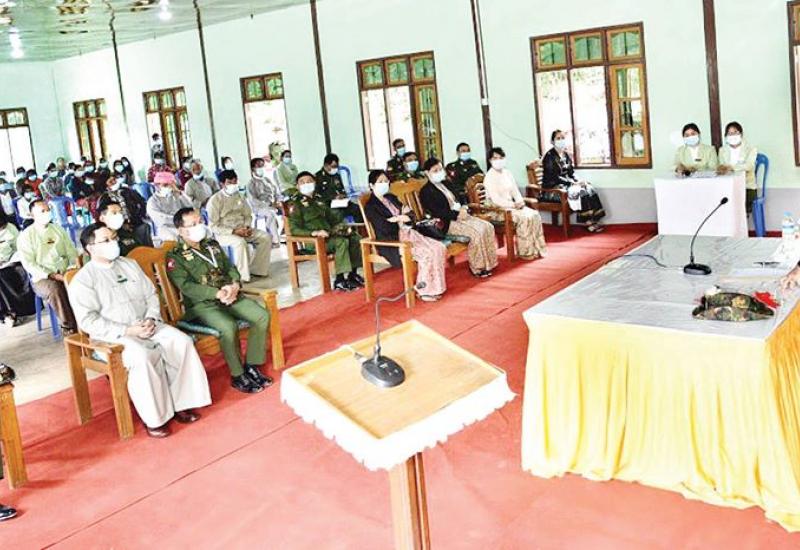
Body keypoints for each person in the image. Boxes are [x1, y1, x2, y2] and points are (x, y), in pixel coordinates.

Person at [68, 223, 211, 438]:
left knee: (181, 342)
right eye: (105, 240)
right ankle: (155, 419)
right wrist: (129, 330)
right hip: (114, 336)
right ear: (90, 248)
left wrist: (151, 318)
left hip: (148, 324)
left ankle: (182, 403)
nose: (113, 243)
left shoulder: (129, 264)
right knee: (142, 356)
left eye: (113, 238)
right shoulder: (83, 280)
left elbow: (151, 294)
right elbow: (88, 321)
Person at [167, 207, 273, 394]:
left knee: (261, 315)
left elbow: (230, 268)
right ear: (181, 230)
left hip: (230, 294)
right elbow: (186, 287)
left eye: (200, 221)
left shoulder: (212, 245)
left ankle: (252, 366)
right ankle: (238, 375)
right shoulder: (176, 256)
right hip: (203, 305)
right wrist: (217, 293)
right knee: (227, 326)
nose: (199, 226)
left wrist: (235, 285)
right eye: (193, 224)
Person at [364, 170, 447, 302]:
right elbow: (384, 227)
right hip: (393, 241)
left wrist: (400, 218)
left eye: (386, 181)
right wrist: (401, 218)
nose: (384, 184)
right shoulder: (371, 206)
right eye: (380, 182)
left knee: (438, 247)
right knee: (426, 253)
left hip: (410, 234)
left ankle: (435, 288)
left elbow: (411, 214)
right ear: (371, 185)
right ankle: (423, 291)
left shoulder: (391, 198)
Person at [420, 158, 497, 277]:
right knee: (476, 233)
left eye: (440, 169)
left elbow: (461, 197)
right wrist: (456, 214)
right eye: (435, 170)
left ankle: (490, 263)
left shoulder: (447, 183)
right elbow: (436, 212)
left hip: (462, 215)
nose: (439, 172)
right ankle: (478, 268)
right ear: (427, 173)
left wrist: (464, 208)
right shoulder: (426, 191)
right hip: (447, 222)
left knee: (488, 227)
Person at [288, 172, 364, 291]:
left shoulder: (319, 200)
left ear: (314, 183)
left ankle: (352, 275)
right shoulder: (295, 204)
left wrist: (342, 225)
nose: (306, 184)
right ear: (297, 186)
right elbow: (294, 229)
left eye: (309, 181)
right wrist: (313, 233)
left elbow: (333, 218)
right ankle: (339, 280)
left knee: (355, 237)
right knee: (341, 242)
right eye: (302, 182)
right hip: (314, 242)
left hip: (329, 236)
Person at [17, 199, 78, 333]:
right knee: (55, 288)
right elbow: (29, 264)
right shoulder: (26, 236)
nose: (46, 213)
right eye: (42, 211)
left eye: (48, 210)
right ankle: (69, 327)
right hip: (42, 278)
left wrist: (71, 268)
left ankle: (85, 321)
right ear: (32, 215)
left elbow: (71, 251)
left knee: (82, 281)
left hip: (65, 271)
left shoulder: (58, 229)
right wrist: (52, 275)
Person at [206, 170, 272, 282]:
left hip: (243, 228)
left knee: (265, 237)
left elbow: (248, 215)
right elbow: (213, 226)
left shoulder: (240, 196)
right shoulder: (215, 200)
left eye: (235, 181)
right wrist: (233, 231)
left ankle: (257, 269)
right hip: (224, 233)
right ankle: (242, 276)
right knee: (240, 243)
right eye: (229, 182)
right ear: (222, 184)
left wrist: (247, 227)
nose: (233, 185)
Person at [483, 147, 547, 260]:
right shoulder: (489, 177)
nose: (498, 160)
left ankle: (537, 249)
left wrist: (519, 201)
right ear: (490, 160)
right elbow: (496, 199)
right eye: (495, 158)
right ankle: (526, 252)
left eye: (501, 157)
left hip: (511, 206)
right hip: (496, 210)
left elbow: (515, 191)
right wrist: (513, 205)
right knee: (523, 218)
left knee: (534, 214)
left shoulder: (507, 173)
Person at [541, 130, 607, 231]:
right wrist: (572, 183)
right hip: (552, 190)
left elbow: (571, 172)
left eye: (563, 138)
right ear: (552, 141)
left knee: (589, 188)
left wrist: (579, 181)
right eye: (558, 138)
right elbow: (554, 177)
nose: (561, 140)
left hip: (566, 185)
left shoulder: (566, 155)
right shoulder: (549, 156)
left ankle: (595, 220)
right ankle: (588, 223)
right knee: (581, 192)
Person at [97, 173, 153, 248]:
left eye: (114, 179)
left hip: (136, 221)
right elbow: (106, 218)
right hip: (119, 228)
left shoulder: (127, 191)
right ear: (105, 185)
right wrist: (122, 225)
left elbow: (141, 202)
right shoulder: (104, 199)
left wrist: (141, 215)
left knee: (145, 235)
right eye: (110, 182)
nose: (114, 182)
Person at [0, 210, 35, 326]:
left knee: (4, 276)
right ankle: (6, 314)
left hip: (12, 264)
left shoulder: (10, 228)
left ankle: (13, 312)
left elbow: (20, 249)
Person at [717, 121, 759, 214]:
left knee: (736, 204)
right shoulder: (722, 150)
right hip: (728, 186)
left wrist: (731, 167)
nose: (733, 135)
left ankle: (740, 221)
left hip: (747, 187)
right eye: (730, 133)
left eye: (735, 132)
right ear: (726, 136)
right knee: (721, 201)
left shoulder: (751, 149)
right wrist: (724, 169)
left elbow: (749, 166)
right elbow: (722, 167)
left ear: (741, 134)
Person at [314, 153, 362, 221]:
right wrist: (333, 197)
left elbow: (342, 190)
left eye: (337, 166)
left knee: (358, 208)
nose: (335, 168)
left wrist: (343, 195)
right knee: (336, 214)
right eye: (333, 166)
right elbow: (316, 197)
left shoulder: (336, 176)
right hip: (328, 206)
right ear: (326, 165)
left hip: (341, 203)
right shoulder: (317, 177)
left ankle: (359, 227)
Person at [147, 172, 192, 241]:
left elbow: (190, 207)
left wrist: (180, 194)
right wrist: (180, 221)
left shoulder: (176, 195)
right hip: (166, 227)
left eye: (171, 185)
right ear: (157, 185)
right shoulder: (152, 201)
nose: (168, 187)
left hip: (183, 224)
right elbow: (161, 219)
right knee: (172, 238)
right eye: (165, 185)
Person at [247, 157, 281, 242]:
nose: (261, 168)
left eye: (262, 165)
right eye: (259, 166)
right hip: (259, 208)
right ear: (253, 169)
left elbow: (276, 192)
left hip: (273, 205)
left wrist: (277, 201)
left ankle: (287, 236)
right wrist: (268, 205)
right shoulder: (251, 183)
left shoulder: (267, 180)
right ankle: (275, 240)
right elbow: (253, 200)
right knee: (270, 213)